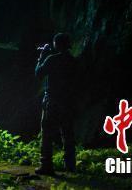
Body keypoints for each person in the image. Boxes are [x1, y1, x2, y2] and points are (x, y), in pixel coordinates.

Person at [34, 32, 76, 175]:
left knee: (47, 133)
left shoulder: (52, 59)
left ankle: (46, 165)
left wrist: (42, 56)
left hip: (52, 101)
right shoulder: (73, 61)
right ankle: (70, 166)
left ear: (56, 44)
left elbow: (39, 73)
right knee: (68, 133)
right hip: (68, 101)